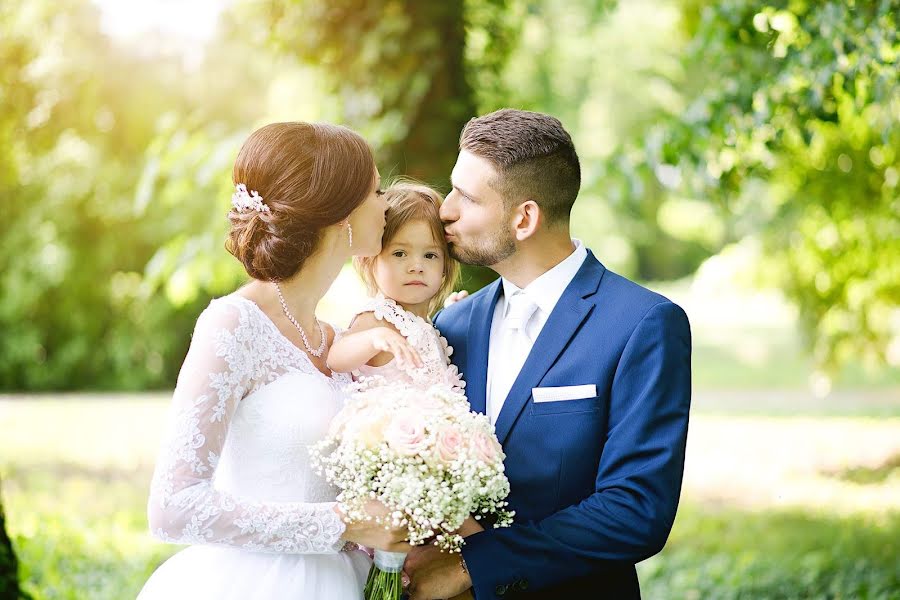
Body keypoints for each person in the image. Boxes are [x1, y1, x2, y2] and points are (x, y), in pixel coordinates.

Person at [404, 109, 692, 600]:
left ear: (524, 218)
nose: (444, 210)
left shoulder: (642, 324)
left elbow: (636, 510)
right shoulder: (450, 326)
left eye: (466, 198)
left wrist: (471, 567)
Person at [138, 121, 411, 600]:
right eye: (375, 191)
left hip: (343, 581)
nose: (386, 204)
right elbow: (172, 507)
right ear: (340, 213)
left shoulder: (338, 338)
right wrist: (342, 523)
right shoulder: (233, 325)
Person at [326, 181, 464, 394]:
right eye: (399, 253)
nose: (416, 267)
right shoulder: (377, 318)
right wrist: (375, 338)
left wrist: (455, 312)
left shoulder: (426, 325)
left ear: (445, 266)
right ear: (370, 260)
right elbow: (335, 359)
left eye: (430, 255)